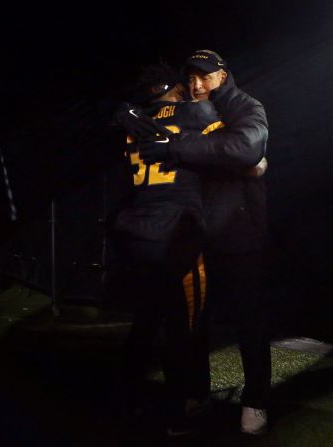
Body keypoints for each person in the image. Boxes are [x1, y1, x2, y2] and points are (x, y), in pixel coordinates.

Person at [138, 49, 272, 435]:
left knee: (251, 321)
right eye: (192, 78)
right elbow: (237, 157)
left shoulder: (245, 105)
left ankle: (256, 401)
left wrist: (181, 150)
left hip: (241, 233)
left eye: (206, 76)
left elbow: (247, 149)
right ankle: (196, 394)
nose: (199, 85)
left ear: (224, 74)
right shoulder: (183, 109)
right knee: (192, 323)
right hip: (193, 233)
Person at [113, 60, 226, 437]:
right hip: (177, 234)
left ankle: (128, 400)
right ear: (176, 87)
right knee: (185, 327)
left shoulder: (135, 120)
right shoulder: (197, 111)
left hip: (139, 232)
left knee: (145, 323)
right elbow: (229, 151)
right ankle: (182, 411)